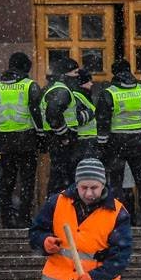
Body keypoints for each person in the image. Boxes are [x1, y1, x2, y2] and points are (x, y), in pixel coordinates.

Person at [96, 59, 141, 226]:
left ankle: (119, 218)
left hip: (116, 142)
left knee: (116, 181)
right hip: (138, 140)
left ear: (114, 73)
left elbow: (102, 121)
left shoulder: (109, 92)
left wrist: (102, 143)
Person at [0, 51, 43, 228]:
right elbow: (36, 113)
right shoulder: (29, 86)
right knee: (27, 182)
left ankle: (6, 218)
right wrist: (41, 135)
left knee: (7, 182)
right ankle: (24, 218)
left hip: (5, 141)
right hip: (27, 139)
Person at [40, 57, 84, 196]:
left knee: (59, 177)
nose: (78, 76)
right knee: (62, 179)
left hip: (55, 139)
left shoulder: (54, 88)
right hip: (61, 141)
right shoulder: (61, 90)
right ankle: (60, 211)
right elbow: (53, 113)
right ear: (65, 74)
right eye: (75, 72)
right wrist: (64, 135)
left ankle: (57, 210)